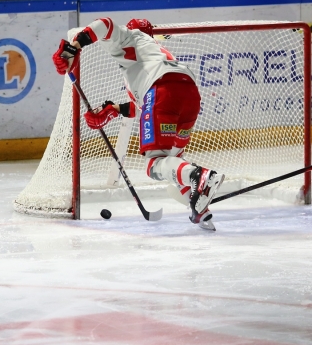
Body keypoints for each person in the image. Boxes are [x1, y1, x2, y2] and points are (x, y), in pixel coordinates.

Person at [51, 17, 224, 230]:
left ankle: (200, 176)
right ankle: (200, 207)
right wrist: (114, 110)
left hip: (162, 93)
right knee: (173, 160)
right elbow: (144, 107)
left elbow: (104, 24)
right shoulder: (154, 52)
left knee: (154, 165)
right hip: (188, 95)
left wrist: (72, 49)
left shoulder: (129, 36)